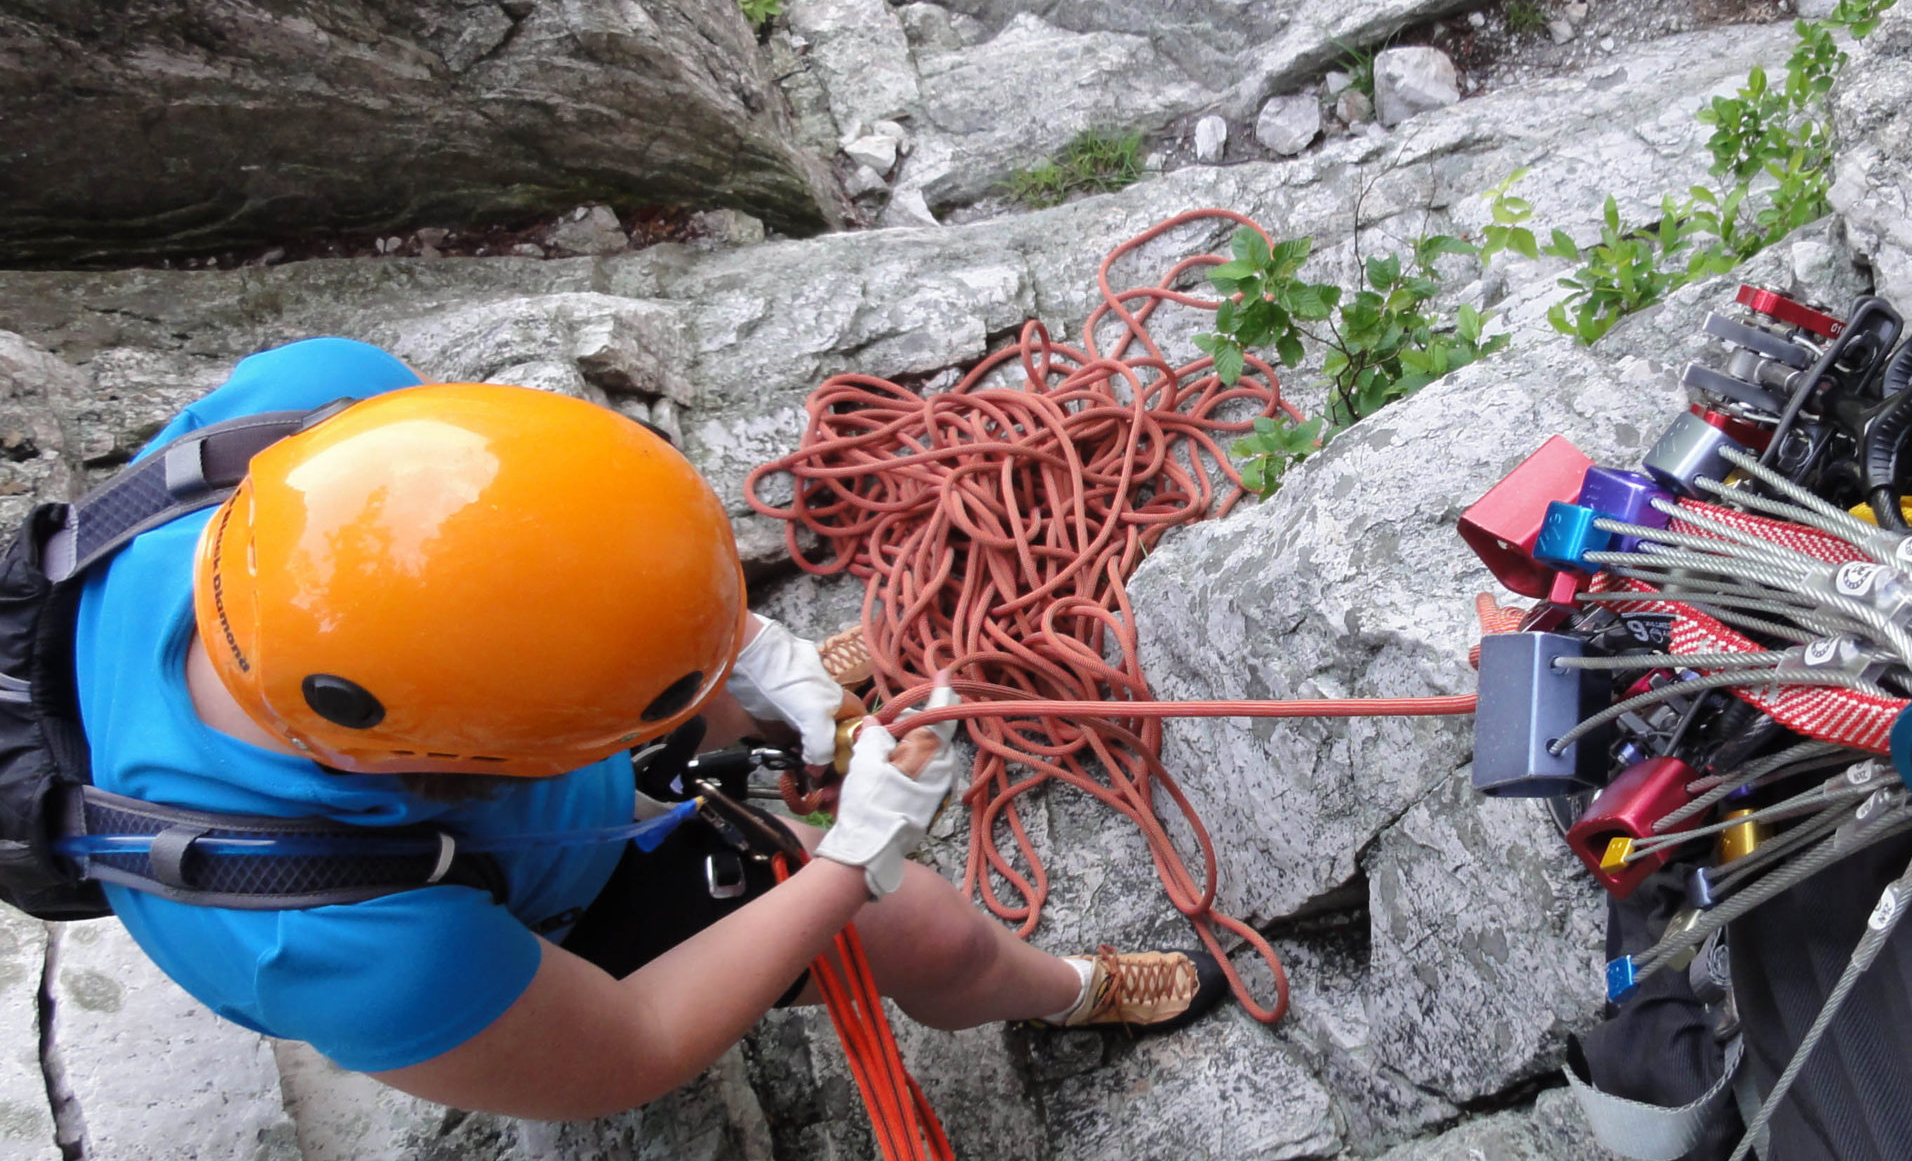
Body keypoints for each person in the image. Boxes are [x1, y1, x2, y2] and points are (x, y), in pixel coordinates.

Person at [77, 337, 1223, 1121]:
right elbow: (625, 1051)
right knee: (934, 935)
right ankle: (1060, 989)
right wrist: (852, 863)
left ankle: (747, 715)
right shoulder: (349, 944)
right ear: (476, 758)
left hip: (451, 801)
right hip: (506, 908)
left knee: (740, 721)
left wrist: (742, 648)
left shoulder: (321, 408)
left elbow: (509, 535)